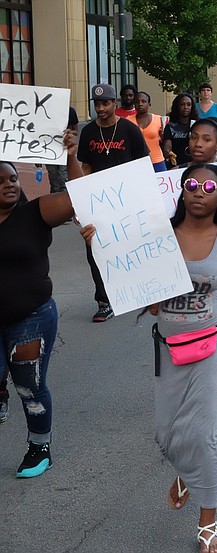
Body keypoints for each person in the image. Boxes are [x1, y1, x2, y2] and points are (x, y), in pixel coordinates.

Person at [83, 163, 217, 553]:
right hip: (169, 349)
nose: (198, 191)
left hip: (212, 345)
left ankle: (208, 522)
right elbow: (141, 295)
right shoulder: (160, 238)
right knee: (168, 436)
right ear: (181, 192)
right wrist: (99, 245)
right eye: (191, 184)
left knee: (205, 434)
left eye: (208, 186)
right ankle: (187, 474)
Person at [1, 145, 81, 477]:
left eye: (13, 178)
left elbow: (81, 197)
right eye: (0, 180)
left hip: (30, 318)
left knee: (29, 386)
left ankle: (39, 447)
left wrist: (71, 155)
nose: (9, 183)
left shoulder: (37, 212)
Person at [74, 83, 149, 322]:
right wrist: (79, 200)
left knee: (127, 246)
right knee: (94, 249)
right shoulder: (88, 132)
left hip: (125, 200)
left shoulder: (129, 129)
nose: (101, 108)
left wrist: (143, 197)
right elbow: (85, 166)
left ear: (114, 104)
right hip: (97, 200)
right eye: (97, 104)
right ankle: (104, 300)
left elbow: (143, 164)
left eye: (105, 103)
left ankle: (131, 289)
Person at [127, 91, 168, 172]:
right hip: (136, 161)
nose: (140, 104)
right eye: (137, 102)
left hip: (156, 160)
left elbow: (165, 139)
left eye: (144, 101)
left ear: (149, 104)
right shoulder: (128, 120)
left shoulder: (158, 119)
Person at [45, 107, 79, 193]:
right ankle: (55, 200)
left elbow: (76, 131)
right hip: (50, 148)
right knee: (53, 178)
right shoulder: (46, 110)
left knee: (63, 177)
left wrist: (69, 132)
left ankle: (65, 198)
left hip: (64, 148)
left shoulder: (70, 110)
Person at [163, 93, 199, 169]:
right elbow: (167, 144)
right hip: (175, 164)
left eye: (189, 105)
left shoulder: (197, 125)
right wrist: (167, 151)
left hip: (194, 163)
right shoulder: (170, 126)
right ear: (177, 106)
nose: (186, 107)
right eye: (182, 104)